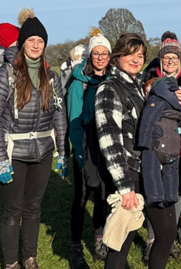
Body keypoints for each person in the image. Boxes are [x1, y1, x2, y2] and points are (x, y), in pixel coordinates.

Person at [0, 9, 67, 269]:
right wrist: (1, 160)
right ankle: (10, 262)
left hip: (42, 153)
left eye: (41, 41)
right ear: (22, 43)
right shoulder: (7, 74)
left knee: (33, 208)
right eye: (31, 40)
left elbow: (59, 115)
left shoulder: (51, 77)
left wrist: (62, 152)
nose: (36, 45)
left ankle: (29, 258)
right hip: (13, 152)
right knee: (11, 211)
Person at [139, 33, 181, 269]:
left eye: (174, 57)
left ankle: (169, 235)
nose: (170, 61)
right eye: (166, 57)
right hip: (154, 146)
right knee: (154, 194)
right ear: (161, 60)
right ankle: (153, 238)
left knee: (175, 191)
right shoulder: (151, 80)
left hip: (178, 147)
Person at [94, 33, 147, 269]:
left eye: (141, 55)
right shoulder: (109, 88)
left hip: (142, 167)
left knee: (129, 236)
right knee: (120, 240)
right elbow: (110, 142)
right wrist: (125, 188)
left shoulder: (135, 85)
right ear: (118, 56)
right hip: (127, 172)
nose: (136, 59)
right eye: (130, 54)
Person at [66, 29, 112, 268]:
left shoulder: (112, 79)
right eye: (97, 53)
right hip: (85, 147)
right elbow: (73, 122)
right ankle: (75, 247)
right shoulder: (78, 84)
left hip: (106, 151)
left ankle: (98, 241)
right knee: (81, 197)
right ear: (90, 55)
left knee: (103, 197)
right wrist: (80, 155)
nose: (101, 57)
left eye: (105, 53)